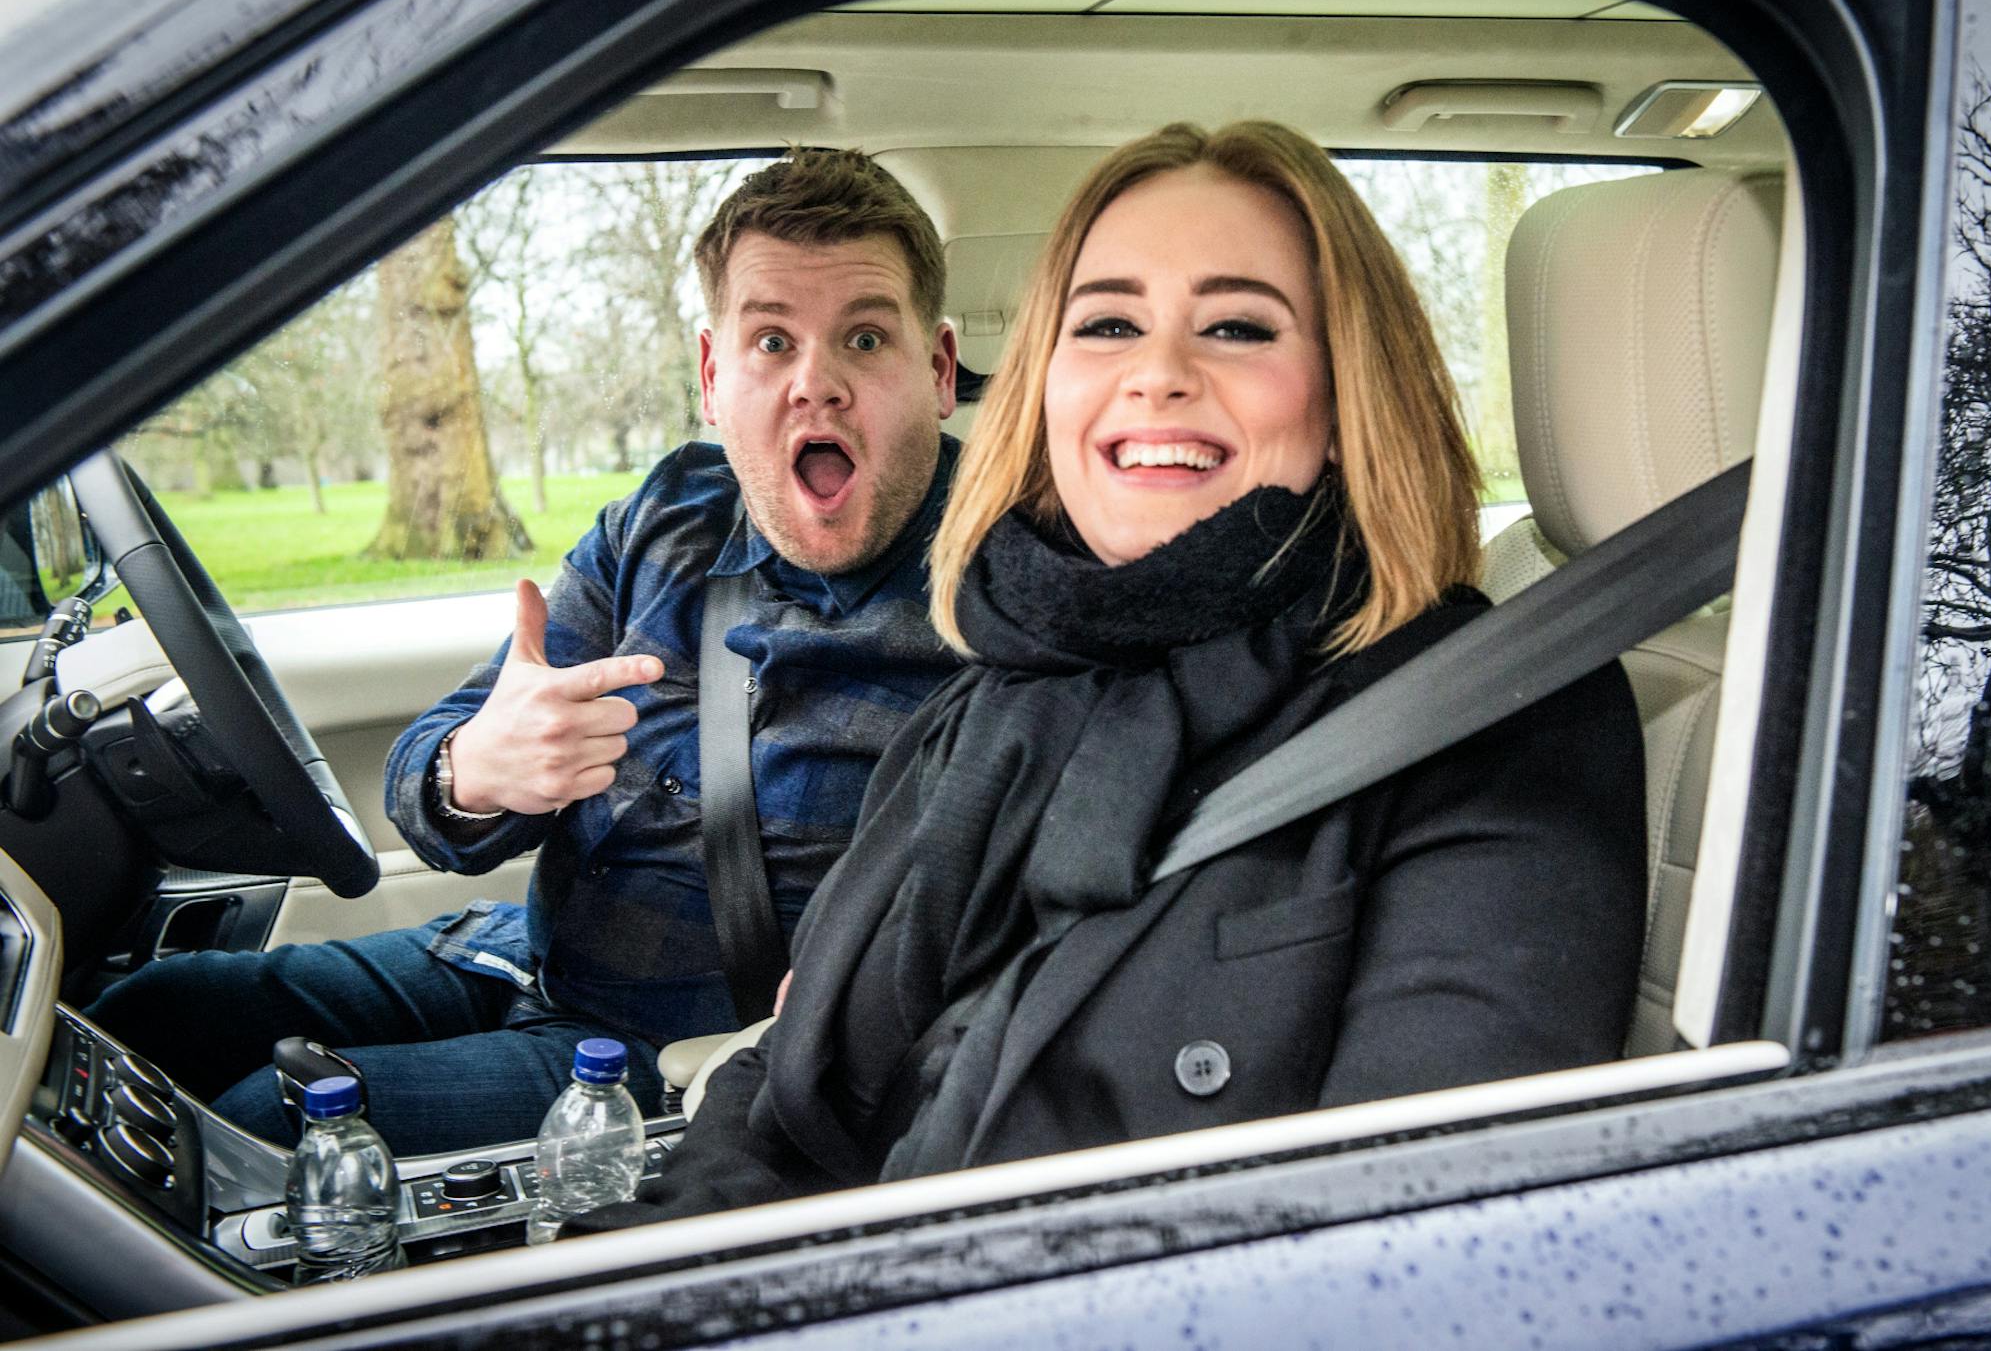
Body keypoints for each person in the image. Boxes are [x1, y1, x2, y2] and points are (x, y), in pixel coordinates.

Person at [570, 120, 1648, 1231]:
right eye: (1109, 323)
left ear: (1342, 392)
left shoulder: (1492, 721)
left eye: (1236, 326)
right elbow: (782, 1097)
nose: (1158, 374)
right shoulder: (988, 702)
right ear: (1047, 385)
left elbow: (1404, 1253)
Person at [85, 148, 965, 1154]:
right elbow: (440, 760)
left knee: (264, 1129)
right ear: (715, 376)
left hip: (688, 1057)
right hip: (521, 955)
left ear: (936, 370)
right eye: (772, 339)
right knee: (146, 1012)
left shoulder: (1006, 598)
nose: (818, 384)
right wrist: (480, 772)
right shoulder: (669, 515)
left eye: (864, 336)